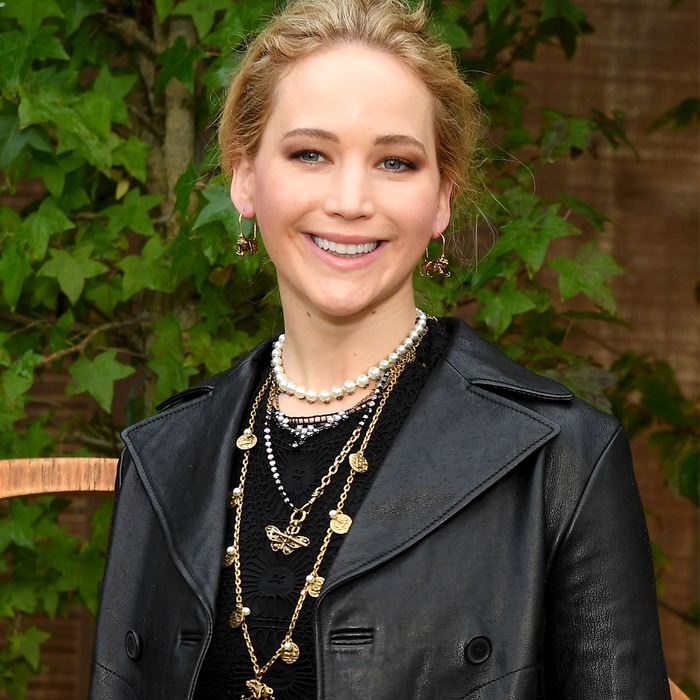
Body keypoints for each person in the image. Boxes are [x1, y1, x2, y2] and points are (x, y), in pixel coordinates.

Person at [89, 0, 672, 697]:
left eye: (395, 162)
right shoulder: (161, 456)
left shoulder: (561, 458)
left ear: (442, 197)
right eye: (310, 154)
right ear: (245, 177)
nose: (350, 199)